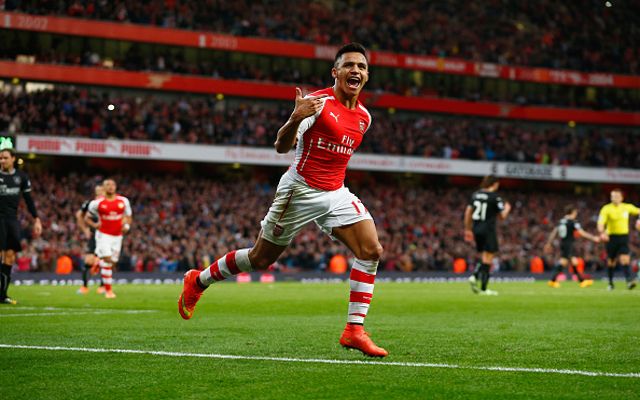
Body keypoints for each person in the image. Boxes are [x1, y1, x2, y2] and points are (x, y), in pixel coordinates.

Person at [178, 43, 388, 357]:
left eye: (361, 66)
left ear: (367, 75)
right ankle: (199, 280)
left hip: (335, 192)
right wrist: (294, 118)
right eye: (348, 65)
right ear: (335, 72)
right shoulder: (316, 104)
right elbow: (281, 146)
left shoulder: (364, 118)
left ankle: (353, 331)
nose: (355, 70)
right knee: (260, 259)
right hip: (299, 191)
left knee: (371, 250)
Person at [0, 147, 42, 304]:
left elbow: (28, 200)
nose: (2, 161)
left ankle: (2, 295)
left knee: (10, 256)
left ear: (13, 159)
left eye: (5, 158)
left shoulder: (21, 177)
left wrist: (36, 218)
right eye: (0, 158)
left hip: (12, 220)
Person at [464, 175, 511, 295]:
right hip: (488, 229)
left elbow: (468, 212)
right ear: (494, 184)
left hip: (476, 228)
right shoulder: (495, 198)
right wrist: (507, 208)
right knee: (489, 257)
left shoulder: (475, 195)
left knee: (485, 257)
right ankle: (477, 279)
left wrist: (467, 229)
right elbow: (502, 217)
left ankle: (480, 285)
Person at [85, 179, 132, 299]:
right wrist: (95, 225)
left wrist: (126, 226)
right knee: (107, 260)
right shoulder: (97, 203)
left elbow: (128, 216)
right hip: (103, 235)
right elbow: (88, 217)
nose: (111, 187)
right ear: (104, 188)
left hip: (117, 236)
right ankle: (108, 291)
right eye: (108, 185)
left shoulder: (123, 201)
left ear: (115, 187)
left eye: (113, 185)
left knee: (113, 261)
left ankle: (98, 263)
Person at [543, 205, 600, 288]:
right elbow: (582, 233)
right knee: (564, 261)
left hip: (563, 243)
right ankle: (552, 281)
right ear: (573, 212)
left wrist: (549, 243)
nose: (576, 214)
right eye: (575, 212)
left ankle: (582, 281)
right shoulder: (573, 222)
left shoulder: (561, 221)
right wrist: (593, 238)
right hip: (569, 244)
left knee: (574, 262)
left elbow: (554, 232)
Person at [597, 189, 639, 290]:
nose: (614, 198)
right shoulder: (606, 209)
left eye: (616, 196)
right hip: (611, 237)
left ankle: (629, 281)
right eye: (612, 196)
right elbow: (600, 223)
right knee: (611, 261)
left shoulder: (627, 207)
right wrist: (602, 233)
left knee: (625, 259)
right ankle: (611, 283)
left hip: (623, 237)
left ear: (621, 198)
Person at [76, 183, 105, 294]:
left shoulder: (109, 204)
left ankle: (103, 287)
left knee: (104, 261)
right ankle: (84, 287)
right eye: (97, 191)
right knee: (88, 261)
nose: (99, 193)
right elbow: (79, 215)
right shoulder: (90, 204)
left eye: (101, 191)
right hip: (94, 236)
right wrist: (85, 229)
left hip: (105, 236)